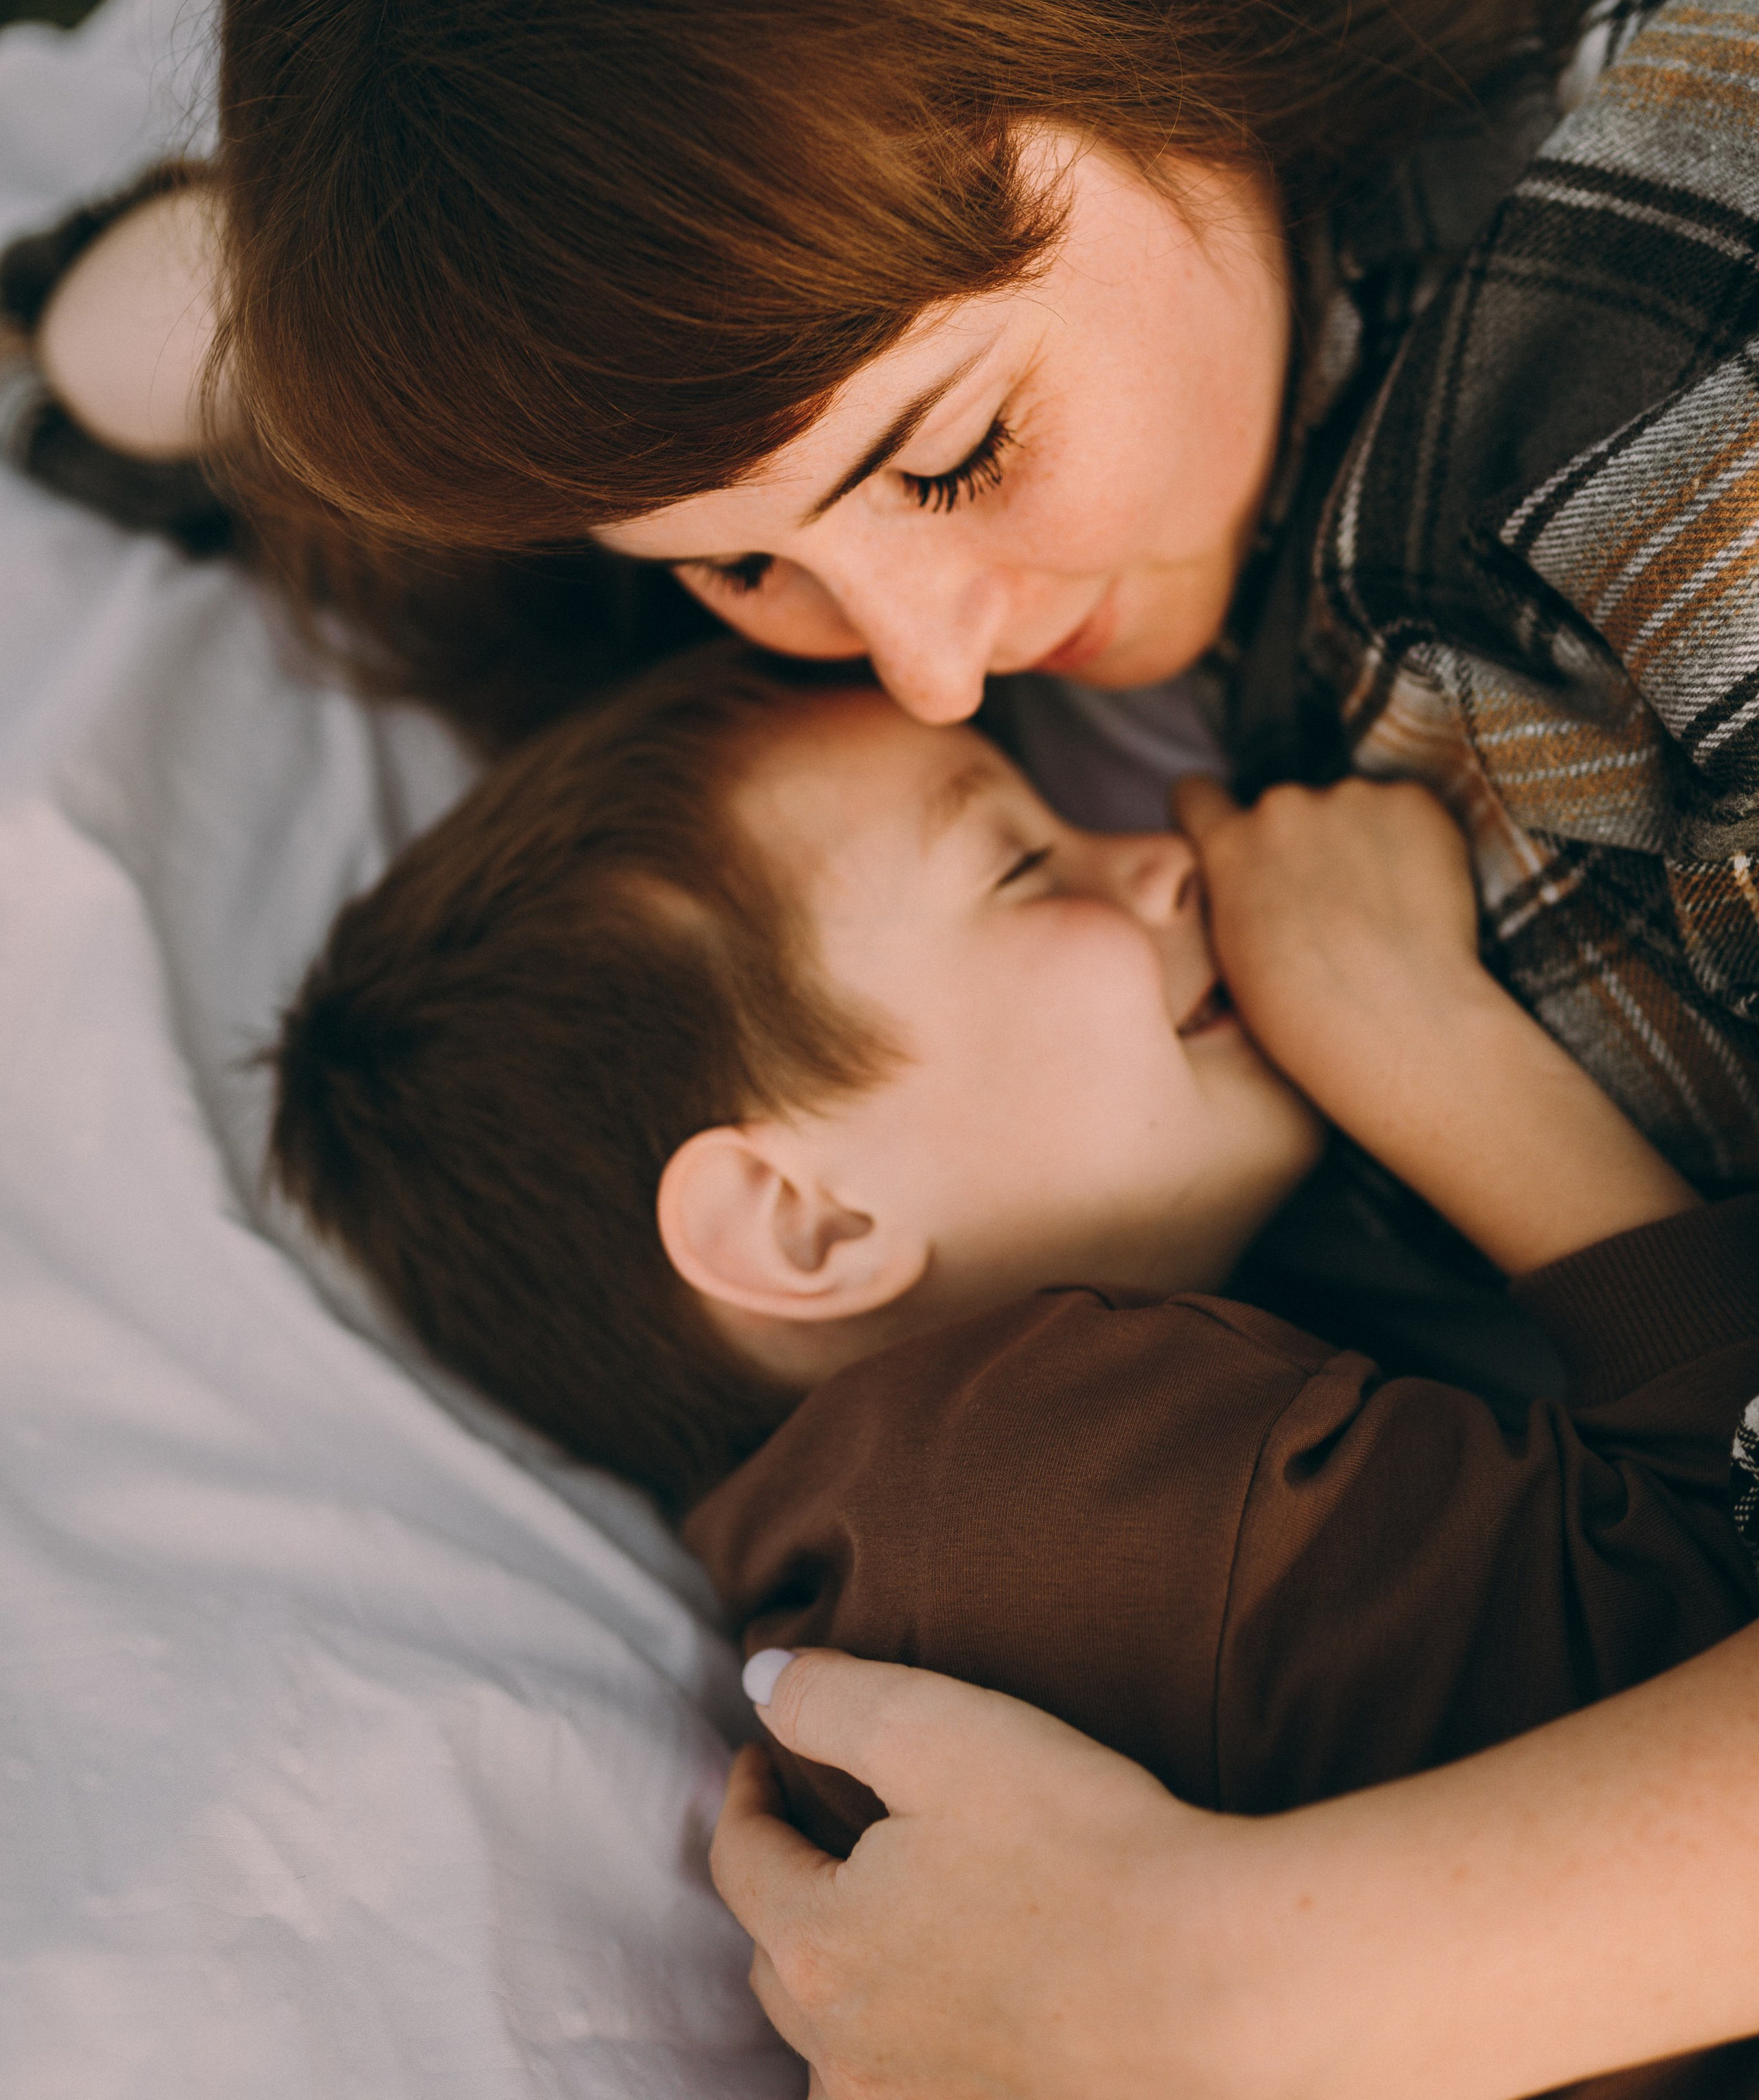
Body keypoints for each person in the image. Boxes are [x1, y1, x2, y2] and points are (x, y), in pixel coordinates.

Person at [10, 0, 1759, 2089]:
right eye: (731, 562)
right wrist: (492, 235)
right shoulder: (901, 496)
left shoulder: (1668, 354)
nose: (930, 667)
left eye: (950, 454)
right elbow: (96, 362)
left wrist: (1234, 1990)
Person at [267, 639, 1759, 1983]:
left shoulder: (896, 1553)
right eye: (1019, 869)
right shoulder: (1069, 1489)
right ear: (808, 1223)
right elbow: (1716, 1587)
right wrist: (1425, 1043)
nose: (1168, 849)